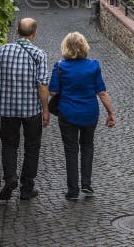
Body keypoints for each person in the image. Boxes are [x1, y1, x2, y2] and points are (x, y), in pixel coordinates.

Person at [0, 18, 50, 201]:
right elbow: (42, 85)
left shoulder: (2, 50)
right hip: (31, 110)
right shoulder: (39, 54)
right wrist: (45, 110)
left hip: (7, 110)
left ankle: (10, 179)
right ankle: (26, 187)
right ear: (34, 33)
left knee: (8, 145)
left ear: (17, 31)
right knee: (32, 147)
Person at [49, 32, 115, 201]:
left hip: (67, 112)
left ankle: (72, 191)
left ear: (66, 47)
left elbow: (53, 91)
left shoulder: (60, 66)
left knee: (71, 151)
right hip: (89, 113)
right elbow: (101, 92)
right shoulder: (94, 65)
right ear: (84, 46)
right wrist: (111, 113)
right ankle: (87, 184)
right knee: (87, 146)